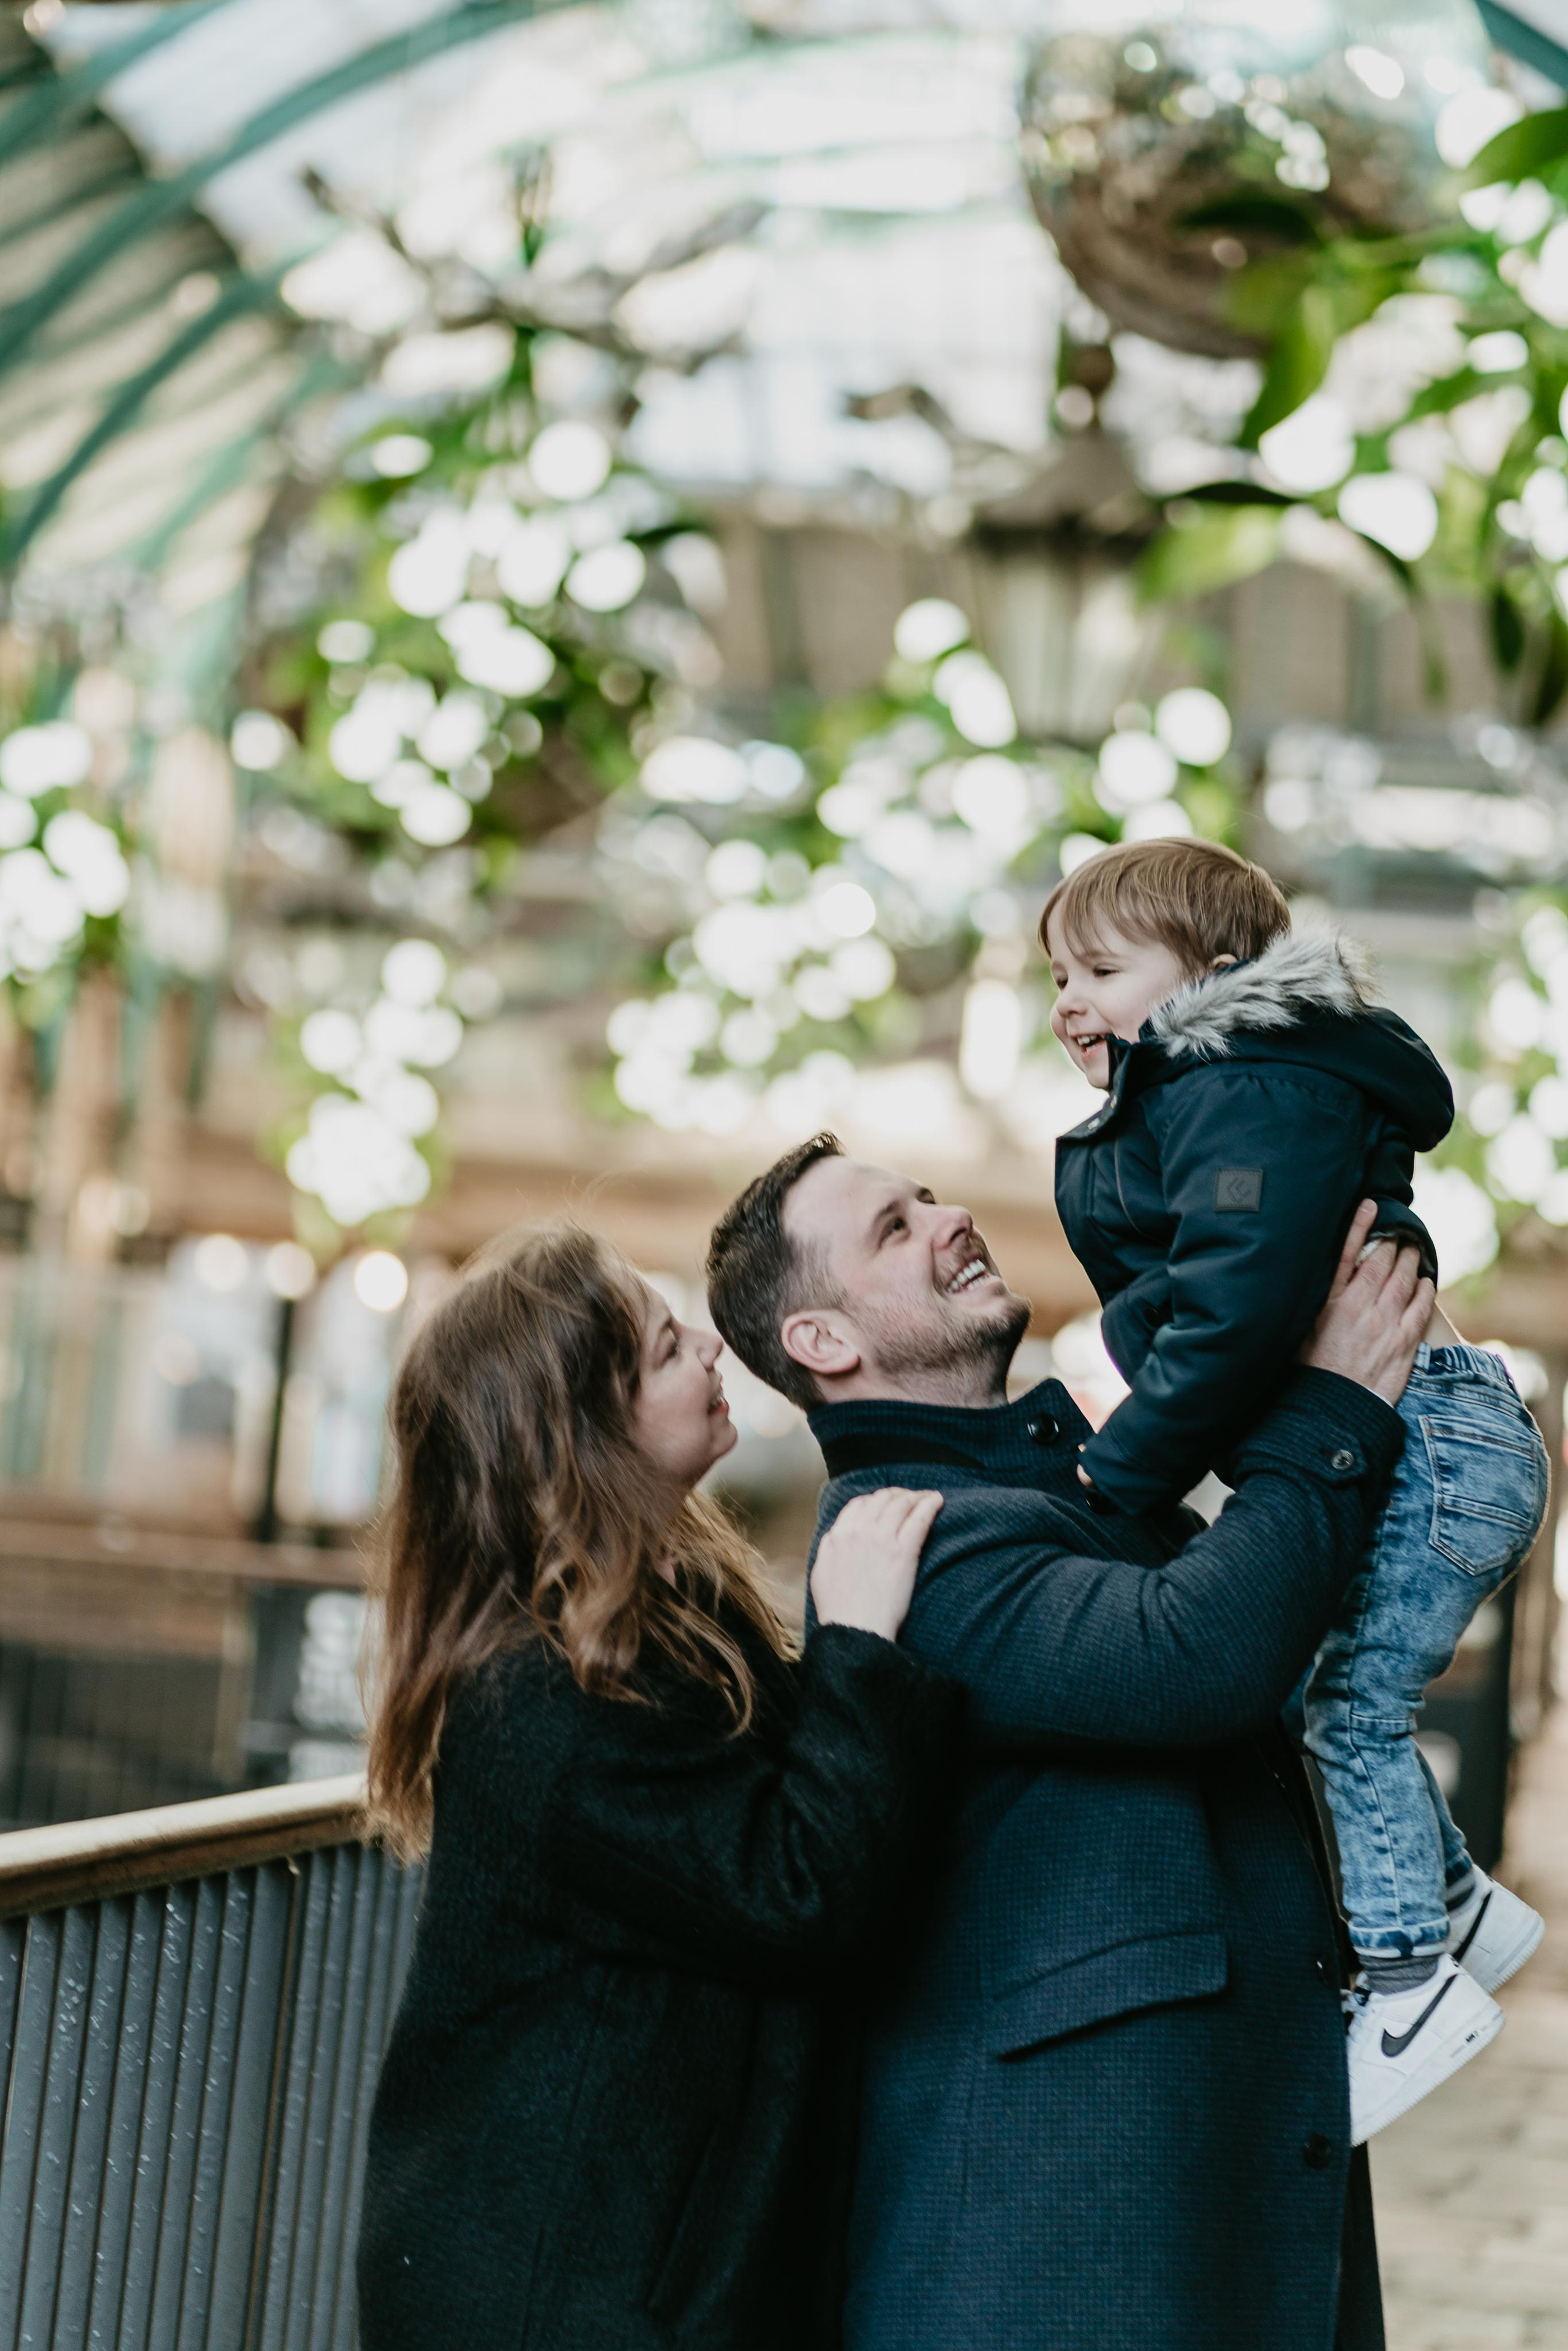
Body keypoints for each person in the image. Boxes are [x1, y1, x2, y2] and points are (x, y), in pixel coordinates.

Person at [706, 1138, 1431, 2351]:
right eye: (894, 1226)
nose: (949, 1218)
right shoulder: (908, 1540)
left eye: (926, 1196)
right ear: (822, 1341)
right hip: (1063, 2255)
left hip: (1180, 2212)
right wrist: (1334, 1403)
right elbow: (1189, 1653)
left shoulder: (1069, 1493)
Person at [355, 1220, 959, 2351]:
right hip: (564, 2292)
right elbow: (799, 1889)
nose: (712, 1351)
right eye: (666, 1345)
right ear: (581, 1427)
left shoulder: (665, 1618)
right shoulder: (540, 1697)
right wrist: (865, 1643)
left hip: (632, 2268)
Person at [1041, 837, 1550, 2140]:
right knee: (1330, 1690)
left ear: (1211, 974)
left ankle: (1402, 1982)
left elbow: (1237, 1303)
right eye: (1056, 976)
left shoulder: (1244, 1081)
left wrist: (1122, 1464)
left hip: (1427, 1438)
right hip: (1443, 1434)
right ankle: (1449, 1902)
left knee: (1348, 1708)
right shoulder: (1231, 1088)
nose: (1067, 1000)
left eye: (1098, 967)